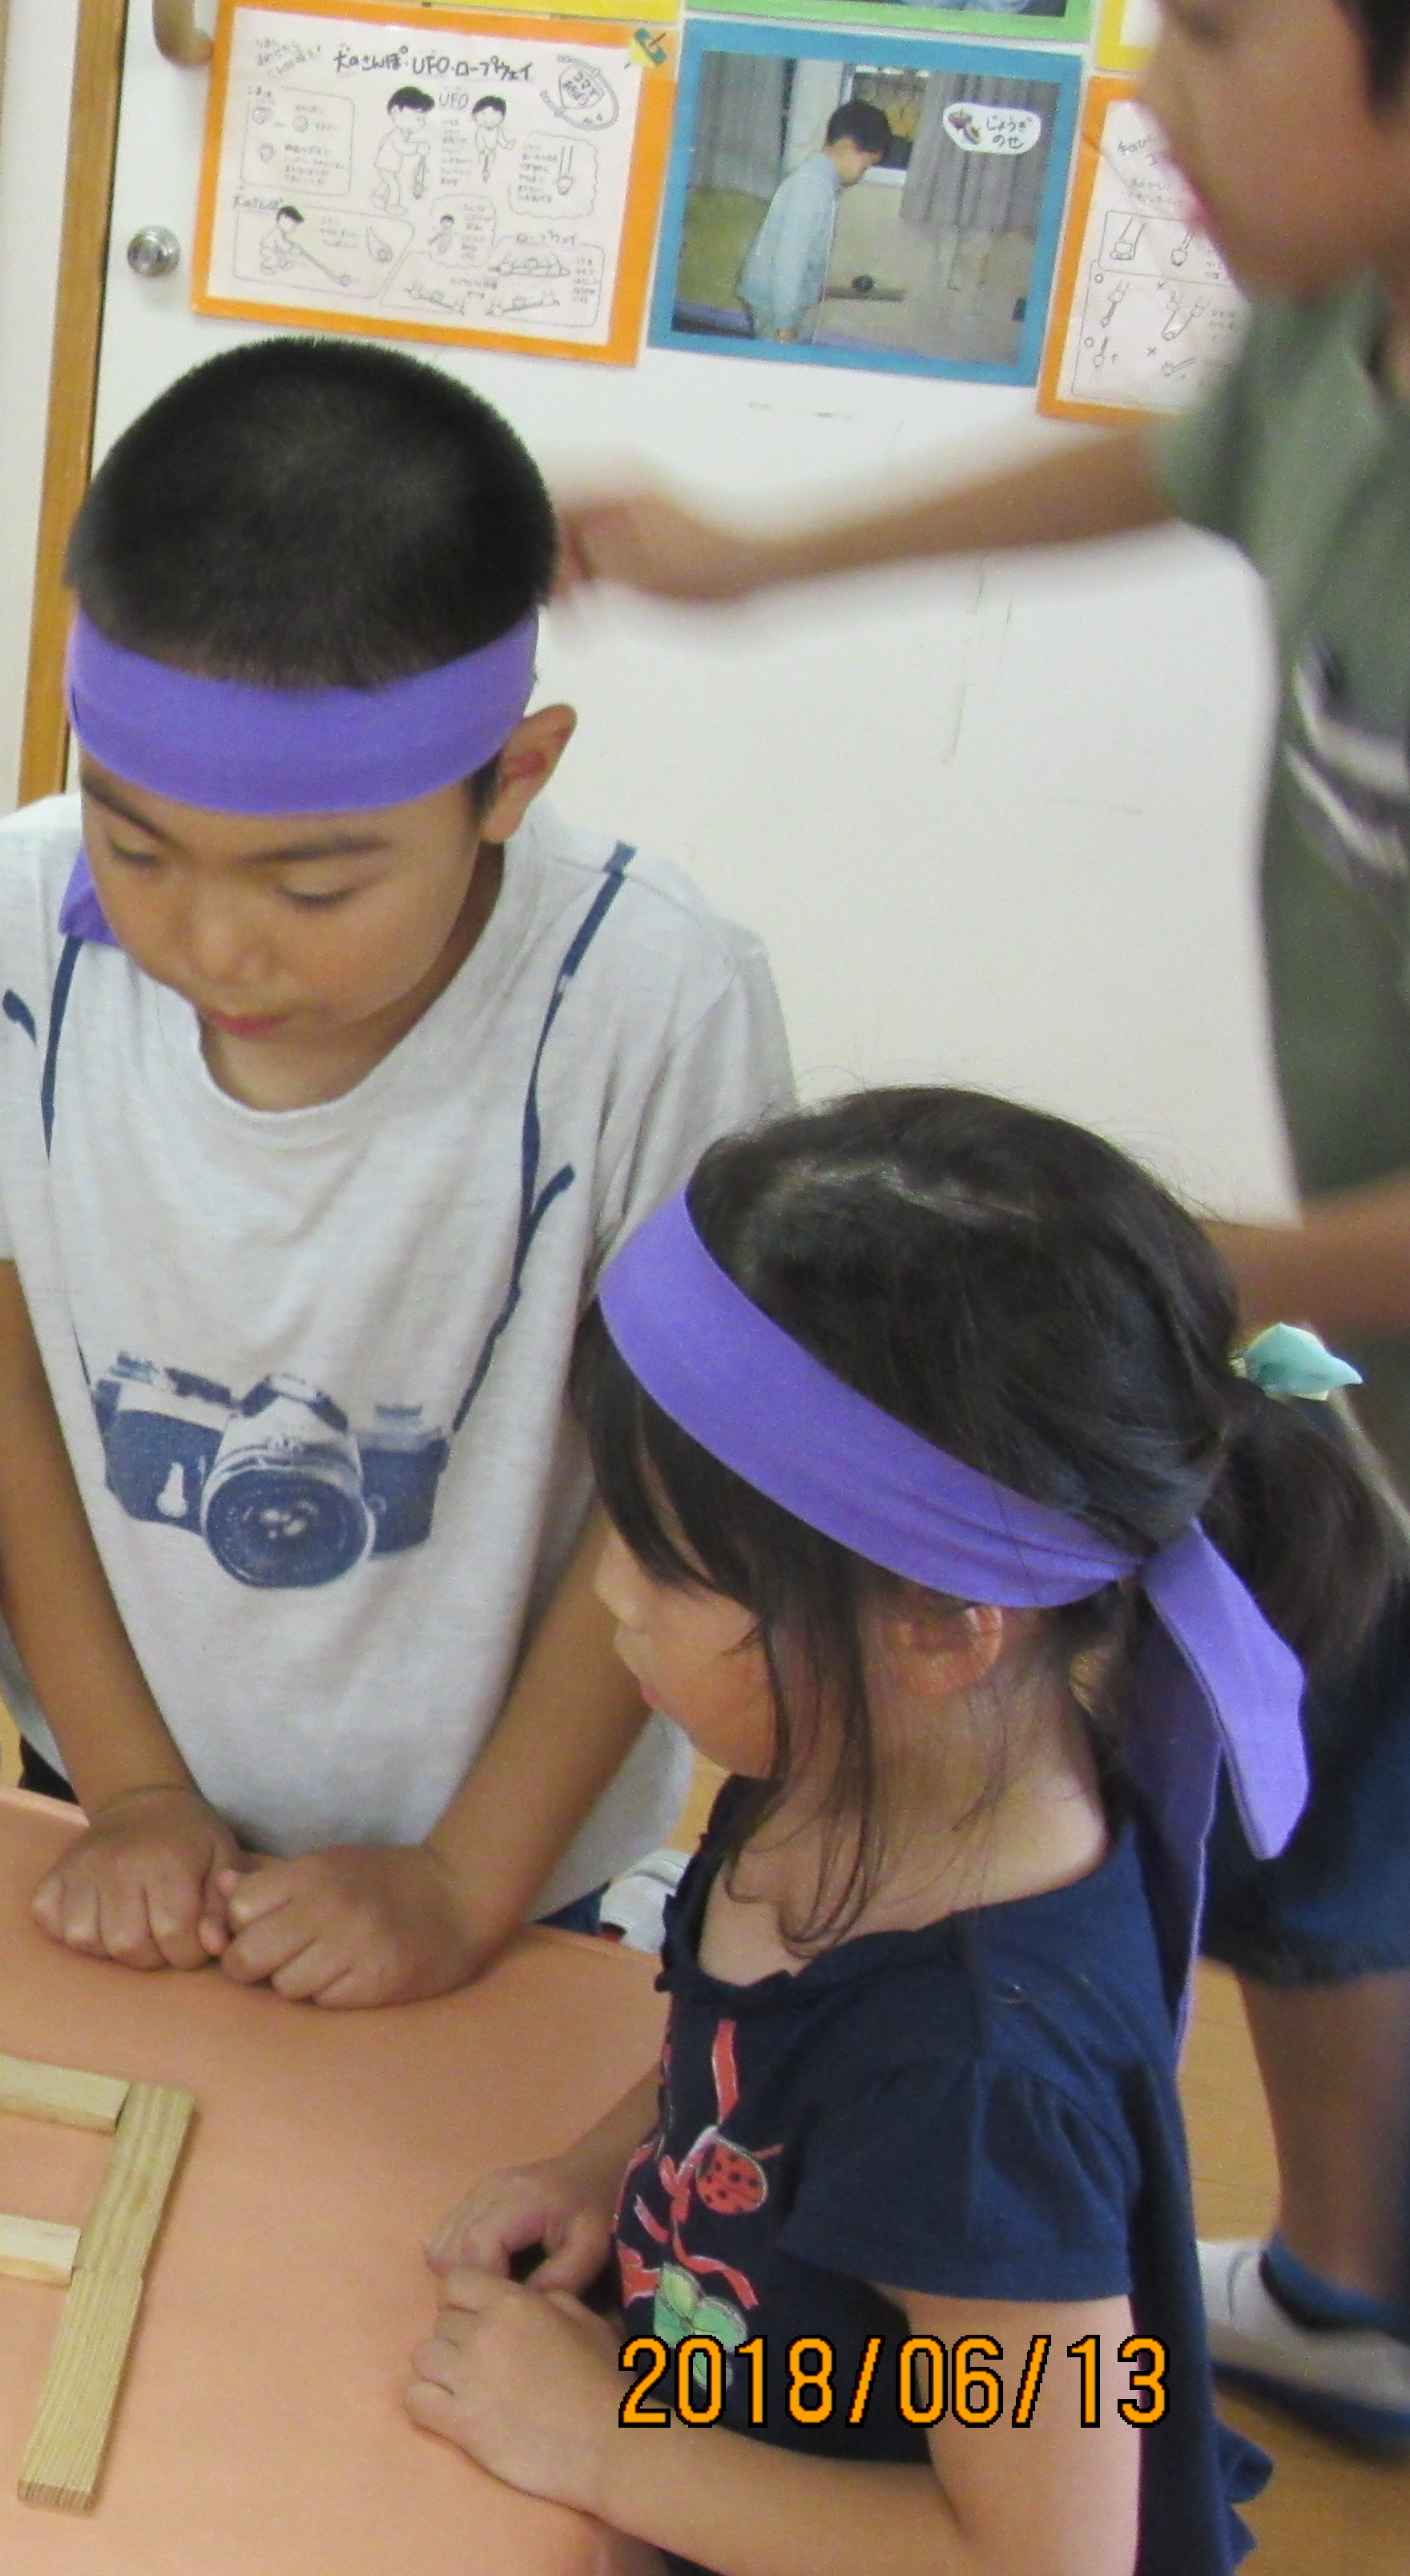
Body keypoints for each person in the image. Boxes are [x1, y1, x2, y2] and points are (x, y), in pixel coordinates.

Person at [559, 0, 1410, 2437]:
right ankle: (1355, 2290)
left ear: (942, 1623)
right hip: (1340, 1299)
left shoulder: (986, 2035)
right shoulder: (1341, 335)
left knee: (1339, 1769)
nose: (1149, 89)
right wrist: (759, 559)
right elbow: (1187, 459)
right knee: (1330, 1761)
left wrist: (1147, 1278)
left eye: (1219, 31)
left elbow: (1044, 2555)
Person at [413, 1088, 1393, 2576]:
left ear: (940, 1626)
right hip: (773, 2527)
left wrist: (601, 2446)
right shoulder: (845, 1766)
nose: (610, 1593)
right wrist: (606, 2172)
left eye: (666, 1559)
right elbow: (751, 2054)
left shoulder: (974, 2072)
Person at [0, 338, 790, 2002]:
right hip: (106, 1785)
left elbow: (667, 1493)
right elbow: (3, 1380)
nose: (213, 942)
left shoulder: (654, 1000)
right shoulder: (6, 917)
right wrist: (133, 1792)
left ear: (513, 779)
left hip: (503, 1856)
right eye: (136, 845)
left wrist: (463, 1882)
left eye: (314, 888)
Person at [736, 102, 897, 345]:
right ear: (848, 146)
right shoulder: (812, 187)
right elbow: (790, 259)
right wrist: (785, 325)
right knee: (780, 363)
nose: (860, 176)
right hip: (774, 301)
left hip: (777, 297)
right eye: (864, 167)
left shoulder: (820, 181)